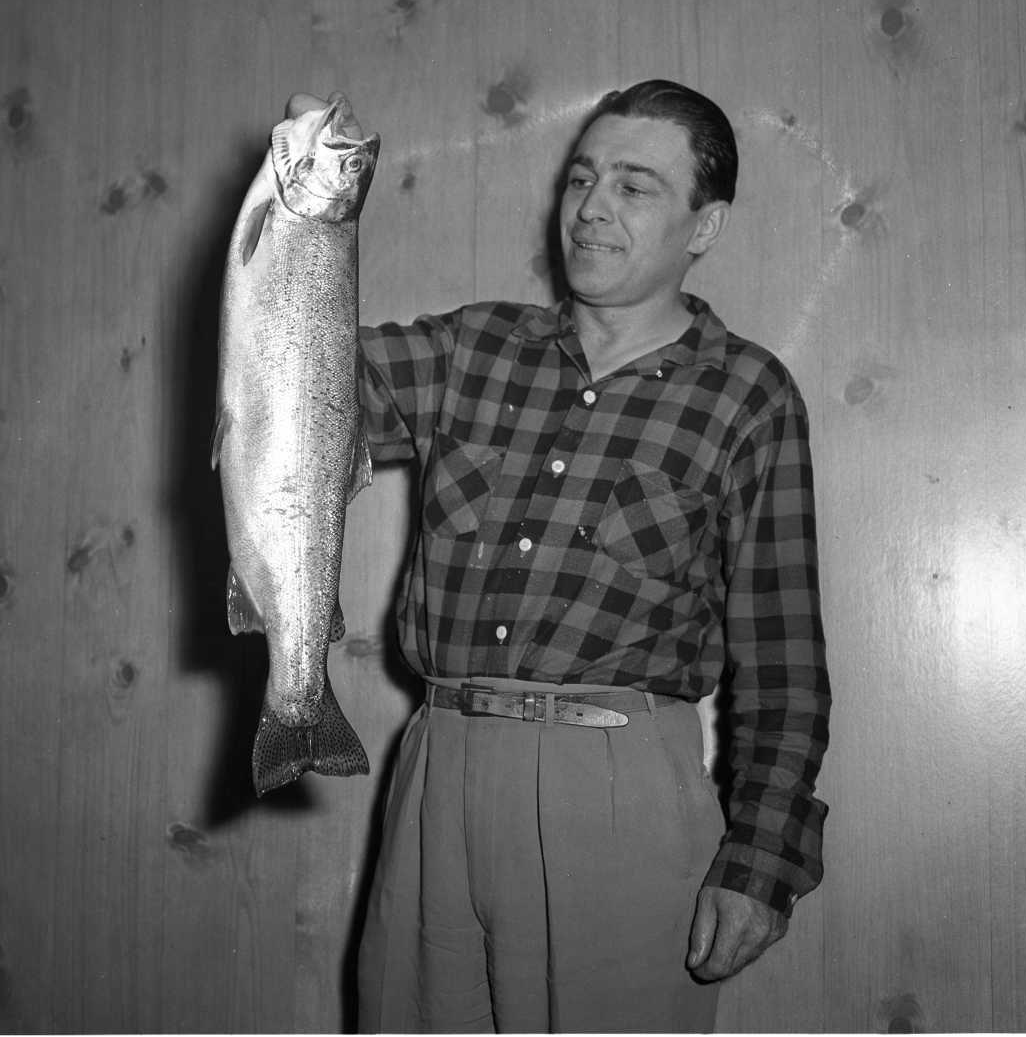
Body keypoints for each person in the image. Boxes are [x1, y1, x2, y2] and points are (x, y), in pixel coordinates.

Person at [295, 79, 830, 1032]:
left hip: (620, 789)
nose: (591, 207)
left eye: (634, 186)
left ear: (704, 226)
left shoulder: (748, 394)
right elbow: (293, 382)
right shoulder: (471, 348)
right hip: (439, 769)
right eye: (582, 179)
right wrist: (299, 206)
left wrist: (761, 860)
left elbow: (782, 661)